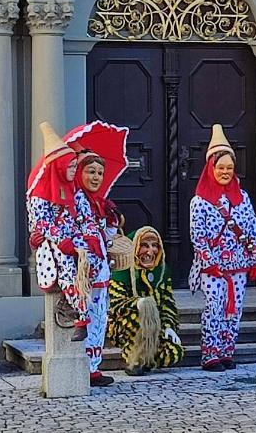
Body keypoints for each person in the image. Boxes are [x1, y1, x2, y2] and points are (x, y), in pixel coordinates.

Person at [189, 124, 256, 372]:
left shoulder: (242, 197)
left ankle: (226, 351)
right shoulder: (199, 201)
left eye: (229, 168)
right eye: (220, 167)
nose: (225, 172)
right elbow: (198, 235)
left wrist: (255, 257)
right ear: (211, 168)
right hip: (213, 265)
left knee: (235, 308)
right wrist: (208, 260)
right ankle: (210, 354)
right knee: (215, 306)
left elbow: (251, 227)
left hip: (239, 264)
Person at [26, 123, 92, 351]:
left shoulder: (75, 191)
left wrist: (89, 239)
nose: (74, 170)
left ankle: (85, 310)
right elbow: (41, 223)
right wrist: (60, 239)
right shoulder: (40, 194)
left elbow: (85, 217)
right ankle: (81, 315)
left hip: (74, 240)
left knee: (88, 263)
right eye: (70, 166)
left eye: (75, 165)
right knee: (66, 270)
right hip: (55, 244)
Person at [108, 227, 184, 375]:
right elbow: (115, 305)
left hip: (156, 326)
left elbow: (168, 304)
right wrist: (138, 304)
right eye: (144, 245)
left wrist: (169, 326)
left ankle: (149, 357)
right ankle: (135, 360)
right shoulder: (122, 271)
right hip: (128, 325)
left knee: (174, 351)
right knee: (139, 316)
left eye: (154, 245)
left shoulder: (161, 271)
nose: (150, 252)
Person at [73, 151, 121, 386]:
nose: (96, 177)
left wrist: (111, 223)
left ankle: (94, 366)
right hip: (87, 270)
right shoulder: (77, 199)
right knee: (91, 318)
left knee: (100, 318)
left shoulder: (98, 201)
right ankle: (87, 367)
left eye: (100, 173)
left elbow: (104, 236)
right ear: (80, 173)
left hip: (101, 268)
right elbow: (81, 233)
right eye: (91, 171)